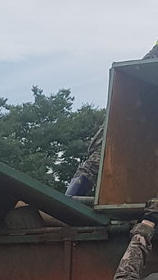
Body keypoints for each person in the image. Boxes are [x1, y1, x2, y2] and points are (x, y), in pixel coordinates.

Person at [66, 40, 158, 196]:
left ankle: (69, 198)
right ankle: (69, 199)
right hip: (147, 74)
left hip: (144, 78)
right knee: (104, 150)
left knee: (104, 150)